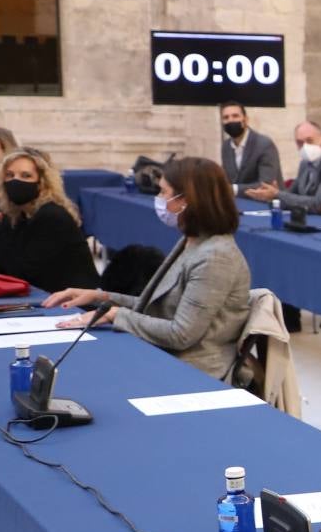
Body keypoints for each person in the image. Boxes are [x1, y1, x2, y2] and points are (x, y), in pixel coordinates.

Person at [49, 157, 251, 379]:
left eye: (164, 193)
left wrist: (116, 315)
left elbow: (181, 334)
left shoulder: (215, 256)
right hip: (167, 355)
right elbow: (159, 307)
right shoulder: (193, 241)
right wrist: (100, 297)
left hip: (195, 370)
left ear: (186, 201)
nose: (159, 200)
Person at [0, 147, 98, 294]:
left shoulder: (52, 215)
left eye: (26, 176)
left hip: (75, 305)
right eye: (9, 175)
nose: (15, 181)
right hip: (44, 297)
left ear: (41, 183)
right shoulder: (17, 215)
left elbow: (20, 272)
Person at [243, 121, 321, 223]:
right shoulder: (305, 163)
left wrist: (278, 194)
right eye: (299, 143)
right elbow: (291, 196)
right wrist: (272, 197)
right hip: (315, 222)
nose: (305, 147)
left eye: (309, 141)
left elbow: (320, 205)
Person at [217, 100, 282, 194]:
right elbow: (227, 180)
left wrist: (234, 189)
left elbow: (266, 184)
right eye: (226, 117)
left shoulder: (264, 144)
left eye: (235, 116)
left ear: (246, 119)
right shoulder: (226, 146)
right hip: (236, 203)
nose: (230, 120)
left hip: (265, 203)